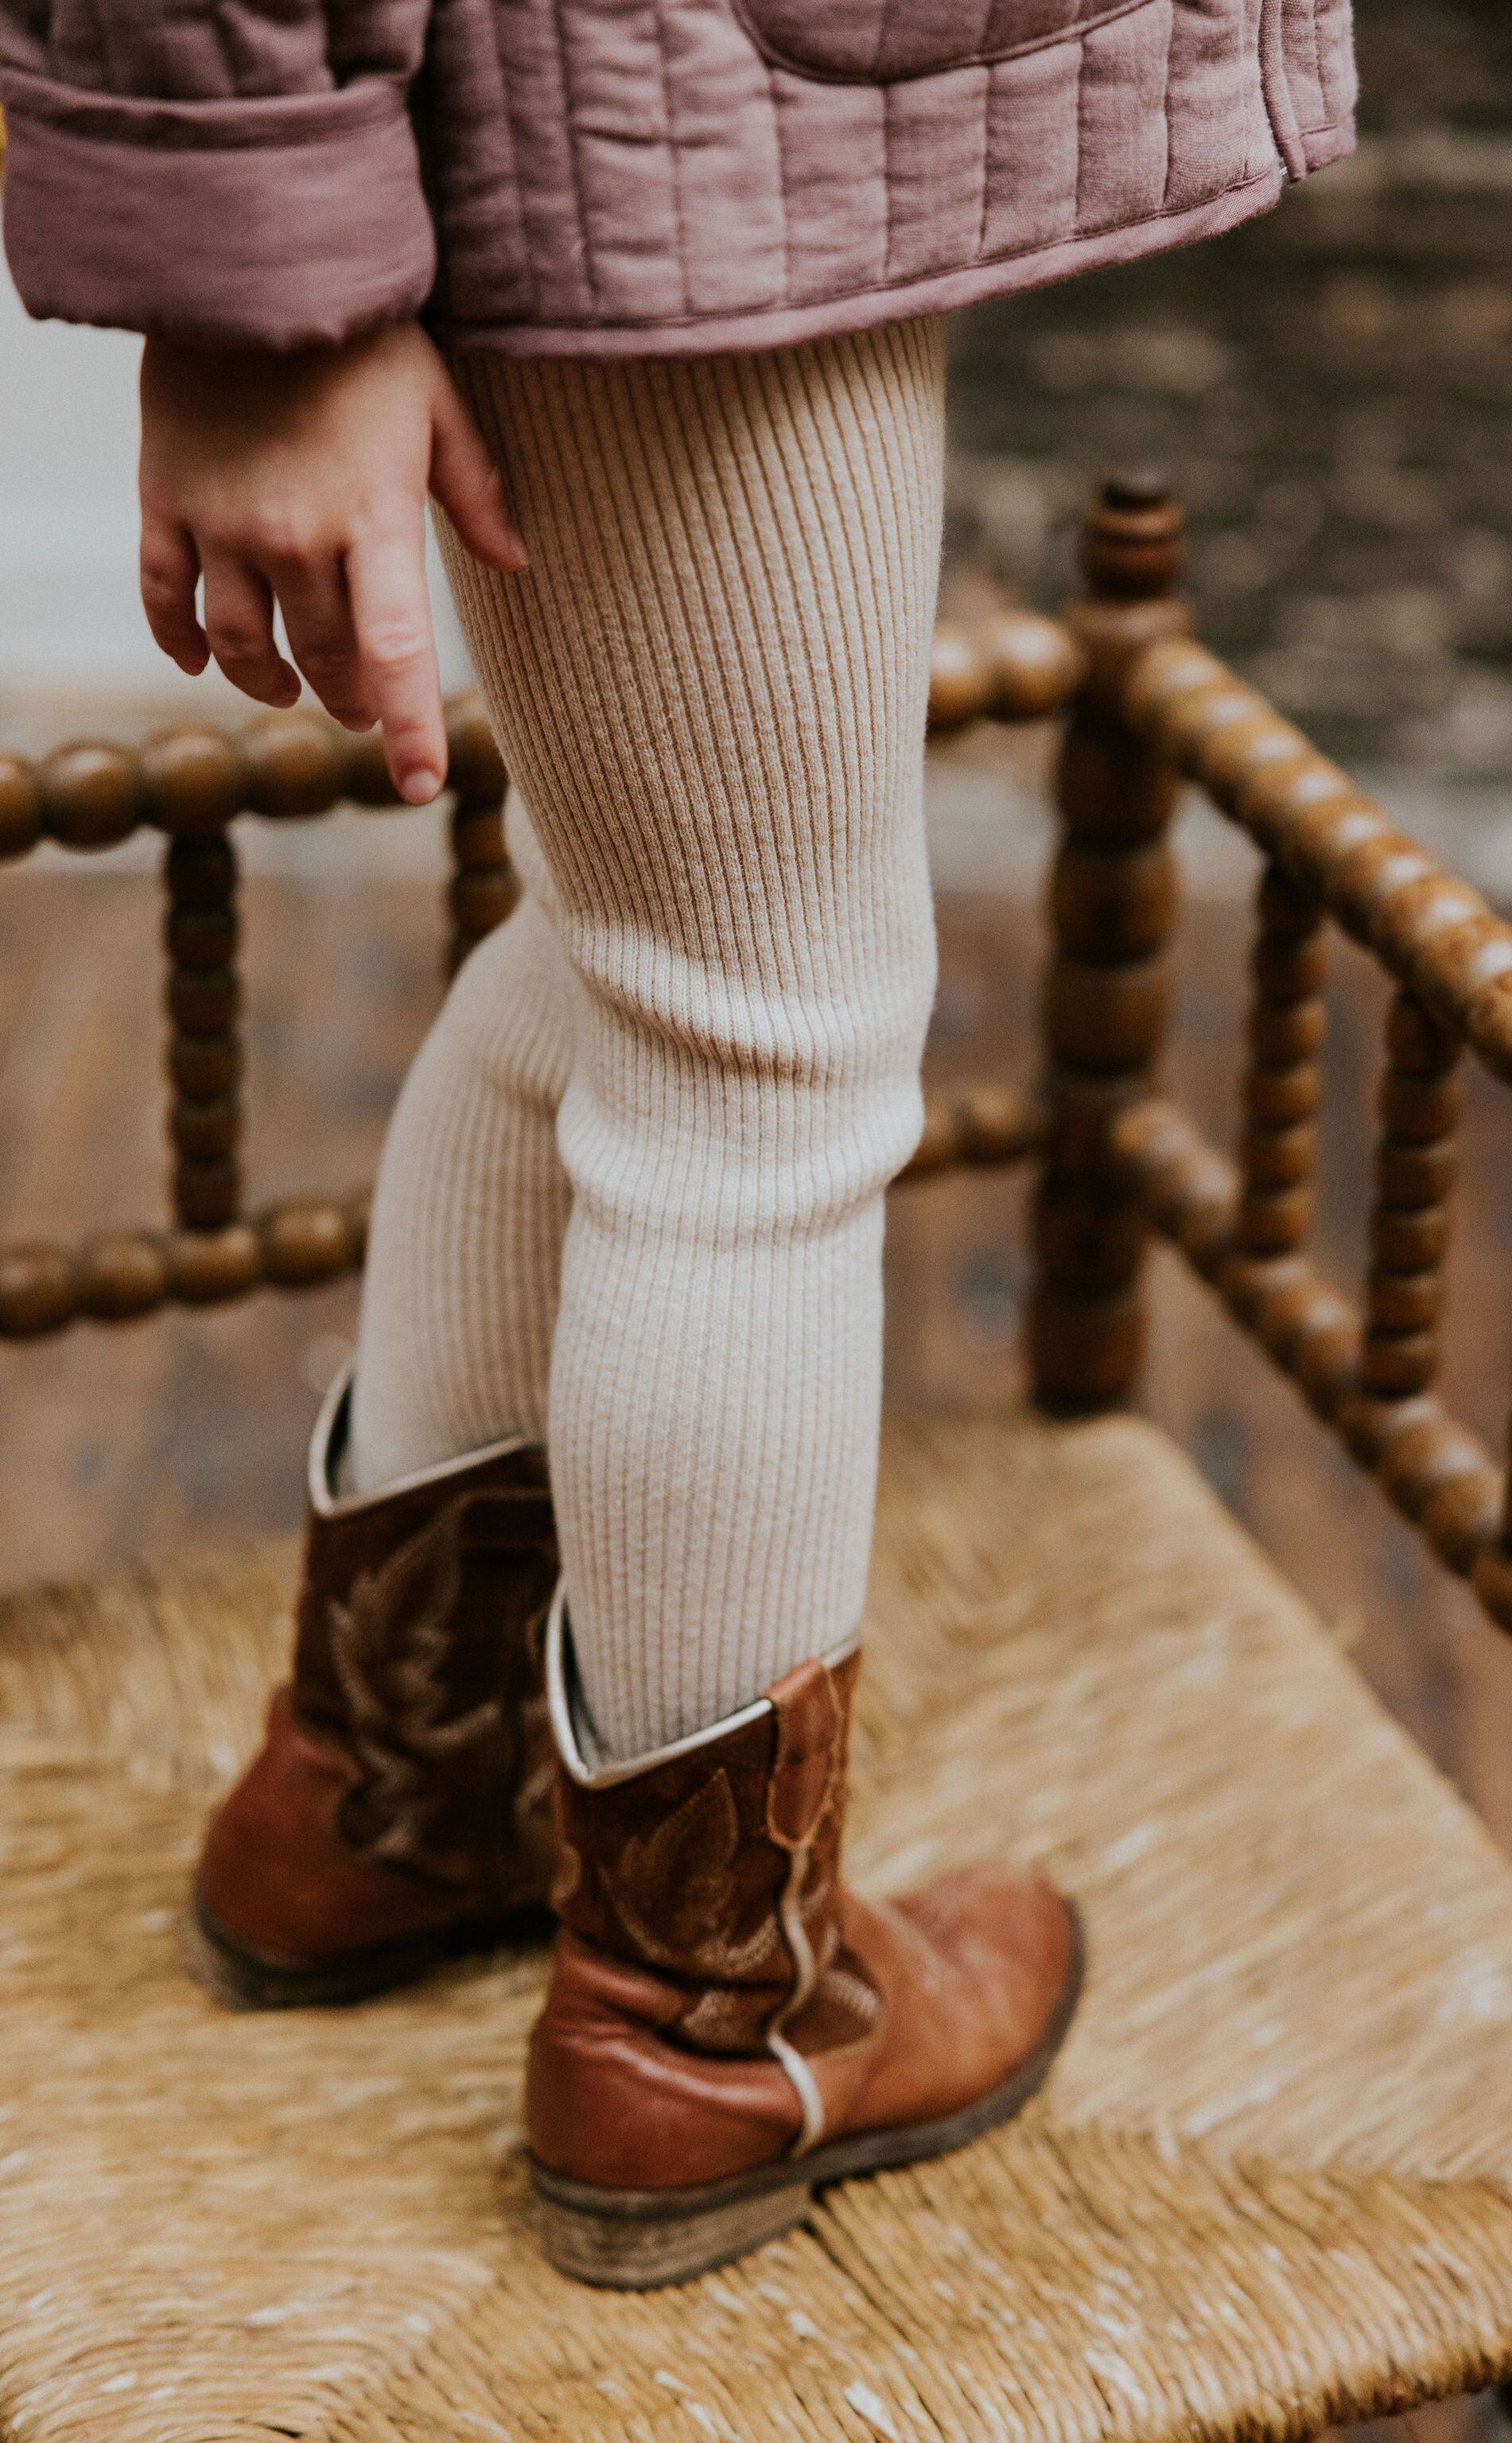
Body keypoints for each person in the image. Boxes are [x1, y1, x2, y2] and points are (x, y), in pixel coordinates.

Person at [0, 0, 1355, 2289]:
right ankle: (711, 2025)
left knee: (648, 956)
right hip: (663, 97)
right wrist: (253, 288)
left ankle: (399, 1796)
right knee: (758, 1044)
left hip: (734, 86)